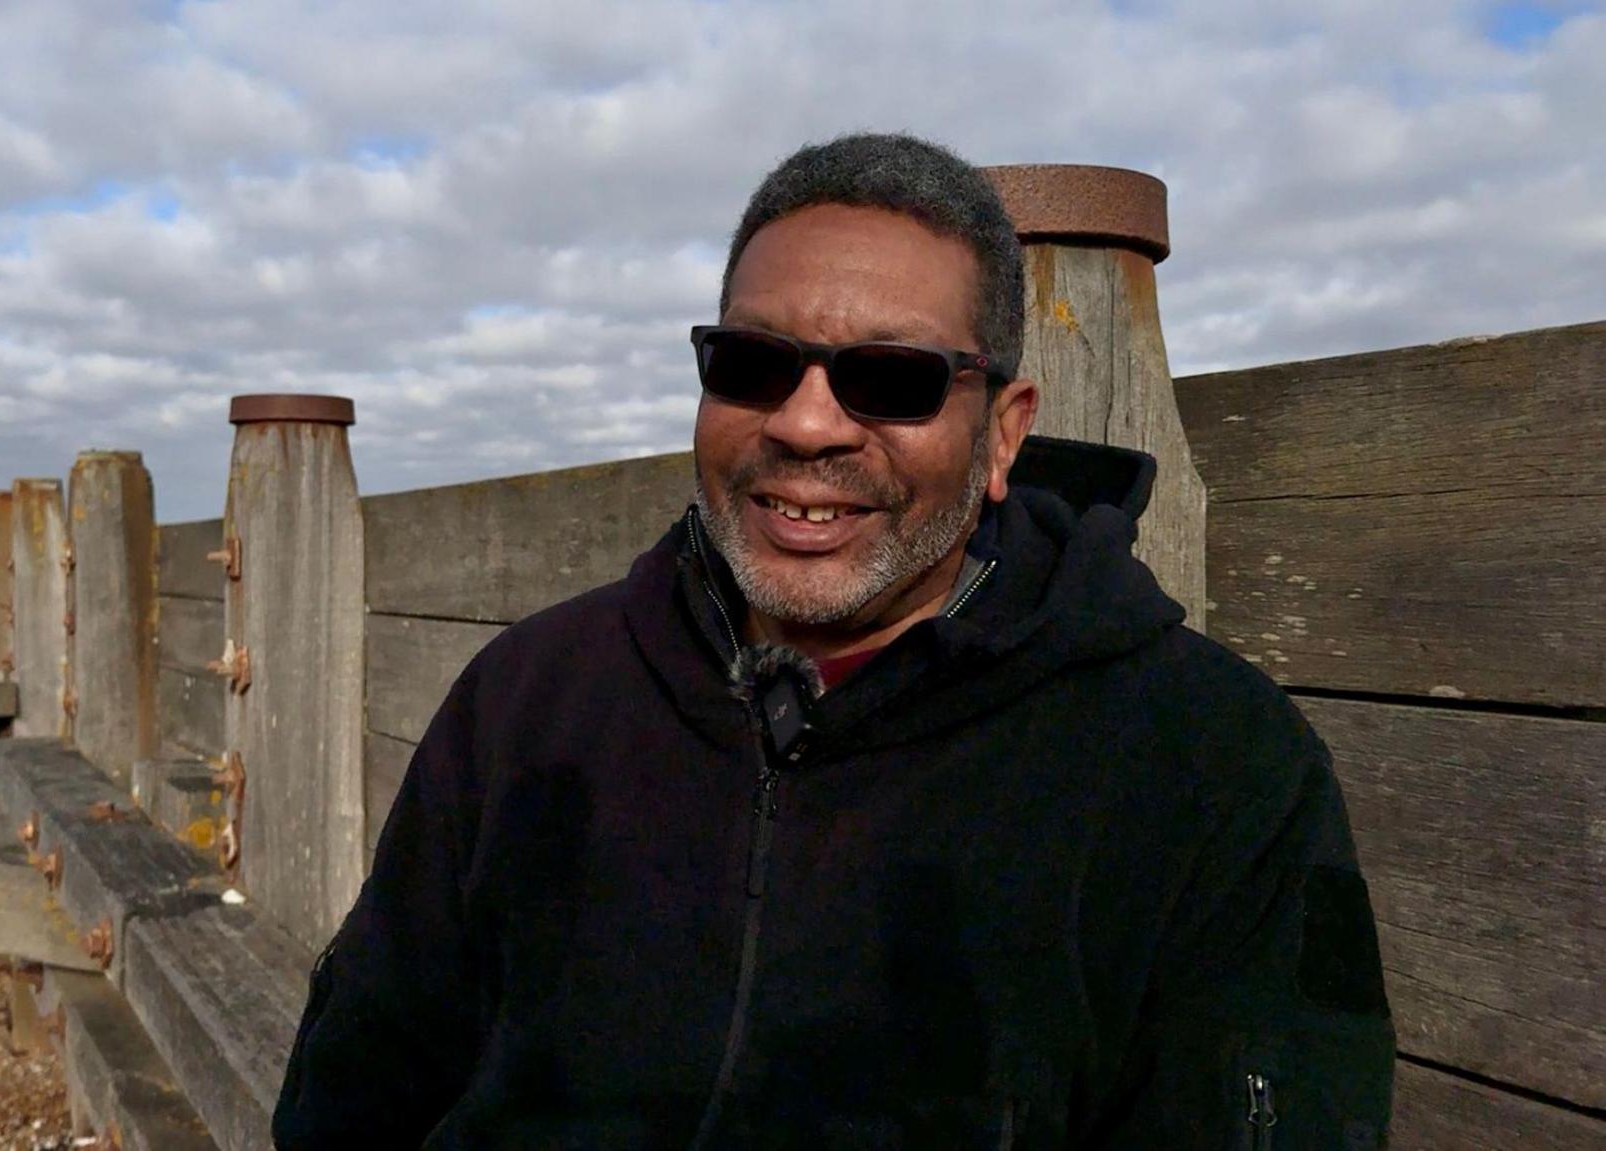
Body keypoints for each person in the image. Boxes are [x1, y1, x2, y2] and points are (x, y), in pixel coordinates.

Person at [272, 133, 1395, 1149]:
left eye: (890, 379)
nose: (806, 423)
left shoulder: (1206, 764)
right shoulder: (528, 698)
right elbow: (353, 1095)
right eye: (753, 363)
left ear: (1001, 432)